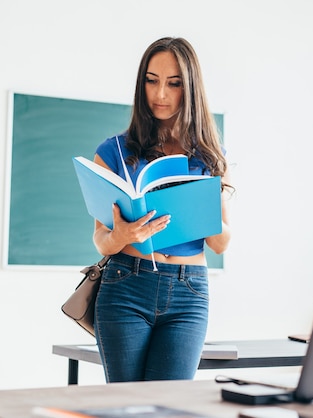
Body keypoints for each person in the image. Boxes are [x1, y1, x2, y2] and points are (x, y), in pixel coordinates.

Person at [91, 37, 231, 382]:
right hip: (126, 284)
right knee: (125, 406)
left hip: (189, 291)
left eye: (174, 83)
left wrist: (197, 205)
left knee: (170, 407)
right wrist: (121, 235)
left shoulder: (209, 155)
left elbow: (221, 243)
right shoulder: (112, 152)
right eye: (151, 81)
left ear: (191, 87)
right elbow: (100, 241)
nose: (161, 94)